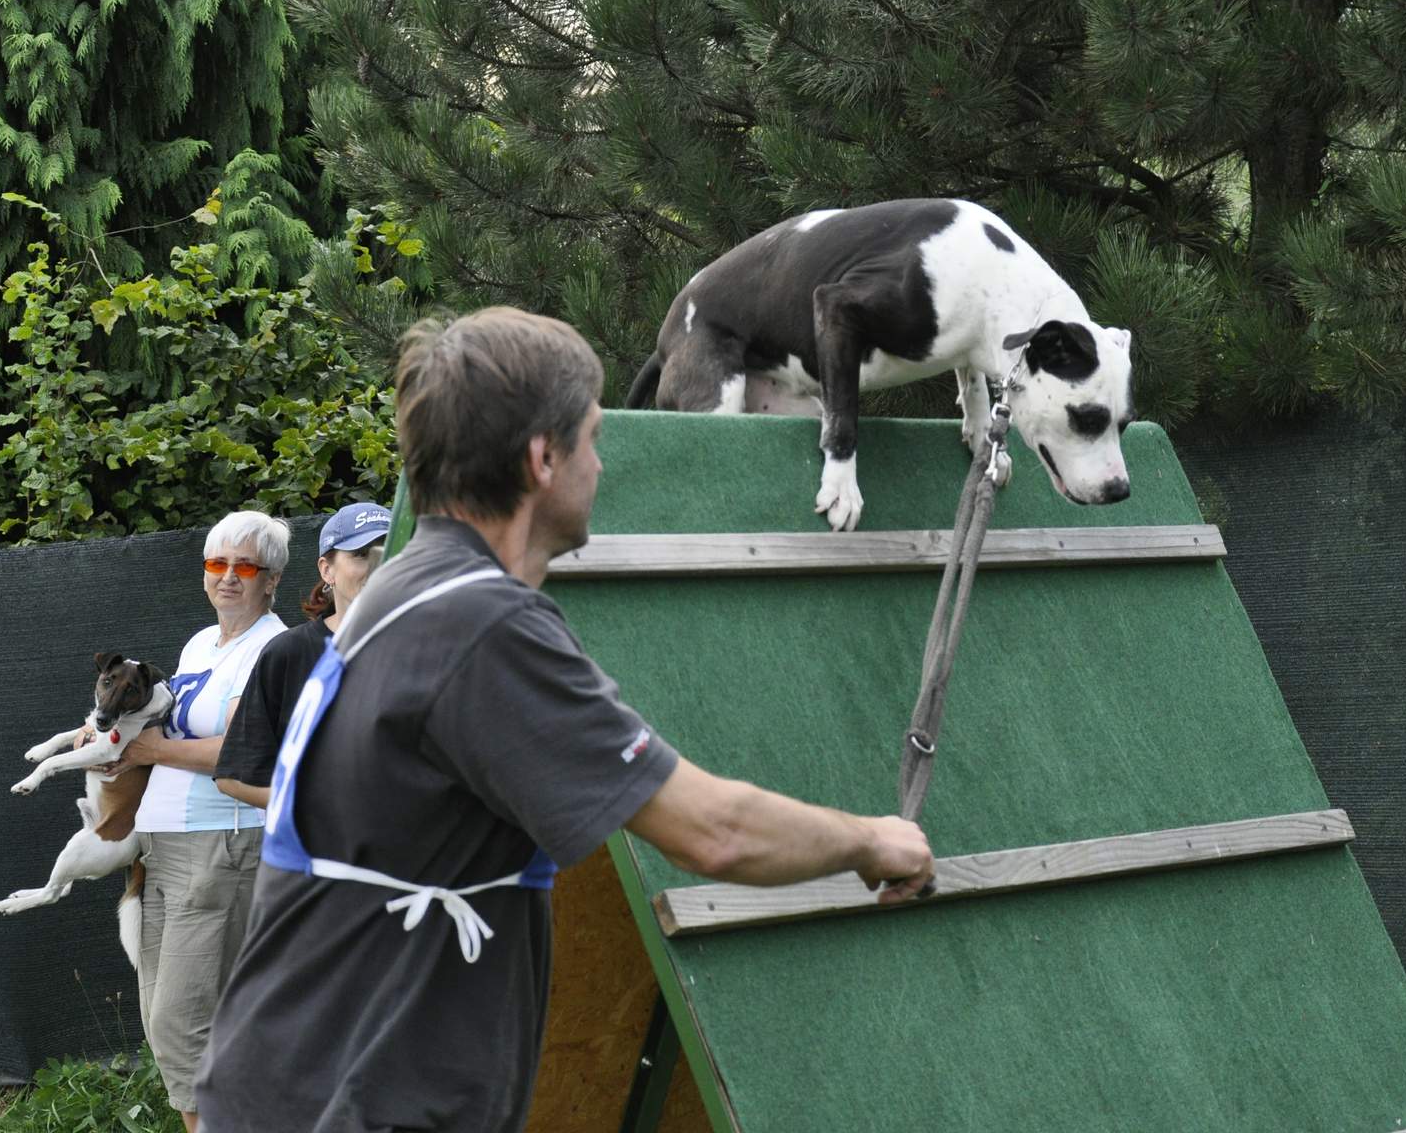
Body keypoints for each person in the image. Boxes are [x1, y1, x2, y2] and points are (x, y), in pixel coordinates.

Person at [194, 307, 933, 1132]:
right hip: (348, 1103)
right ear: (543, 459)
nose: (603, 462)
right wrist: (873, 841)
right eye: (591, 436)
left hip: (298, 1081)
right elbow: (715, 832)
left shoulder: (409, 587)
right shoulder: (482, 626)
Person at [119, 509, 286, 1131]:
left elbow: (240, 749)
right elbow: (159, 723)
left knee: (184, 1021)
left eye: (246, 567)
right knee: (161, 1016)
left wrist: (149, 750)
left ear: (272, 580)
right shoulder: (199, 644)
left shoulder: (271, 647)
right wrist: (110, 733)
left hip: (222, 845)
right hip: (164, 846)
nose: (230, 578)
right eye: (219, 564)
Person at [213, 502, 392, 810]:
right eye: (361, 555)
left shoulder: (431, 649)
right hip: (320, 854)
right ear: (327, 569)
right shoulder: (288, 654)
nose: (377, 566)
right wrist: (319, 811)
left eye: (388, 553)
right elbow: (235, 775)